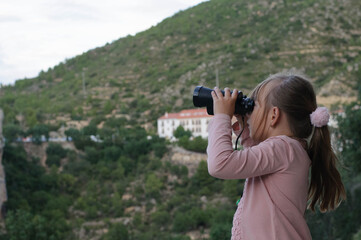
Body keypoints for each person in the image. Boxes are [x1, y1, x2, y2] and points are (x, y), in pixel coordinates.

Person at [207, 72, 346, 240]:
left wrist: (222, 116)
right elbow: (258, 162)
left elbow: (220, 164)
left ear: (274, 115)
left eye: (254, 106)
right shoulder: (289, 150)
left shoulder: (283, 148)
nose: (249, 112)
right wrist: (245, 130)